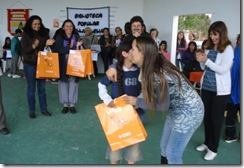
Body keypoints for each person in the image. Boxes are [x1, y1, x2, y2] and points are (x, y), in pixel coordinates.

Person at [106, 36, 204, 164]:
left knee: (172, 153)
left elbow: (163, 106)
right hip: (176, 109)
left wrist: (137, 102)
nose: (130, 52)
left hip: (189, 112)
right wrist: (113, 66)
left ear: (143, 53)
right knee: (164, 147)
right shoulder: (150, 61)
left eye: (133, 49)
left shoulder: (155, 73)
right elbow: (122, 61)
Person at [98, 42, 144, 164]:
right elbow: (101, 84)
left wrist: (138, 99)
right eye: (133, 50)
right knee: (116, 147)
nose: (136, 53)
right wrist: (107, 100)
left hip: (135, 115)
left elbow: (145, 89)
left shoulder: (140, 70)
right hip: (116, 115)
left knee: (133, 149)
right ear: (124, 54)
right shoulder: (115, 70)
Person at [195, 21, 234, 161]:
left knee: (216, 119)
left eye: (215, 34)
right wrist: (200, 59)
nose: (212, 37)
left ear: (222, 34)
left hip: (220, 91)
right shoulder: (210, 47)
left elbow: (223, 70)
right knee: (206, 117)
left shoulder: (228, 49)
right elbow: (204, 67)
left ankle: (213, 148)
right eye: (211, 34)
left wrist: (207, 61)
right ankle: (207, 142)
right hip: (206, 88)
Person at [21, 15, 55, 118]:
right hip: (29, 64)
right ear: (30, 24)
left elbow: (46, 49)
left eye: (39, 24)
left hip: (42, 64)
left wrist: (48, 44)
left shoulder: (44, 33)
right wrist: (33, 46)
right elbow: (24, 50)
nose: (37, 26)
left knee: (42, 89)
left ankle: (44, 109)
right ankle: (32, 111)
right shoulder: (26, 34)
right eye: (35, 24)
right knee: (31, 89)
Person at [52, 19, 83, 114]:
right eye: (67, 26)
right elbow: (56, 51)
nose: (69, 28)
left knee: (74, 82)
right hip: (63, 62)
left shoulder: (76, 37)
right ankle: (65, 105)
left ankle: (72, 104)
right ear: (63, 27)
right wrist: (68, 48)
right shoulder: (59, 37)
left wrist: (78, 46)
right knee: (63, 83)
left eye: (71, 26)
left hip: (75, 63)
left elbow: (81, 51)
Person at [225, 33, 240, 143]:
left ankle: (229, 136)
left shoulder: (237, 51)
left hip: (233, 89)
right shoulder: (236, 50)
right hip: (235, 88)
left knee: (231, 113)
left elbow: (233, 71)